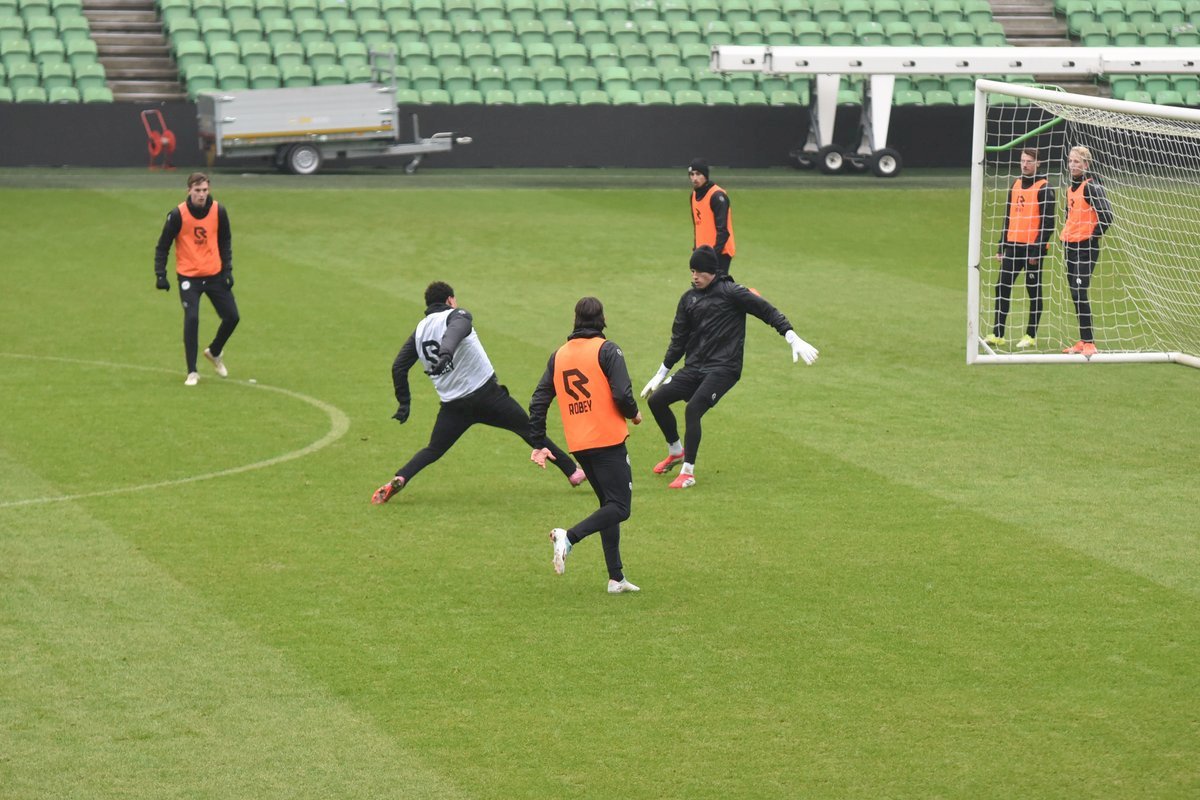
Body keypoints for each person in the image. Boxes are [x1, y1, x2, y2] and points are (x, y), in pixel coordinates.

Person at [372, 281, 585, 504]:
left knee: (433, 449)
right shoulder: (457, 315)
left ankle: (401, 477)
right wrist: (446, 353)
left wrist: (404, 403)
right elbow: (457, 329)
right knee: (530, 430)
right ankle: (573, 472)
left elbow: (398, 367)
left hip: (453, 407)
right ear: (450, 300)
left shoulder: (419, 332)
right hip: (488, 397)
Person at [640, 246, 819, 490]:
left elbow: (767, 311)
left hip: (724, 368)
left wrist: (792, 337)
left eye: (699, 272)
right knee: (657, 401)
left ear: (712, 271)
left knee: (693, 409)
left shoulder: (733, 292)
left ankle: (688, 473)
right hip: (694, 367)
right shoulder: (688, 299)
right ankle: (676, 452)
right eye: (692, 271)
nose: (695, 276)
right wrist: (661, 373)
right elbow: (678, 340)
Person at [528, 296, 643, 593]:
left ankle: (616, 578)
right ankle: (569, 537)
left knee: (608, 505)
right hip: (607, 440)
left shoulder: (559, 356)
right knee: (620, 507)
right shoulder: (608, 350)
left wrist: (539, 441)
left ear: (575, 320)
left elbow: (538, 400)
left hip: (579, 444)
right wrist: (633, 414)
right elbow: (622, 393)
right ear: (602, 319)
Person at [153, 171, 239, 386]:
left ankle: (215, 352)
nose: (202, 194)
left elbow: (225, 241)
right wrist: (161, 274)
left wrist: (227, 270)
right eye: (198, 190)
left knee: (232, 317)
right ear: (189, 190)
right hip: (189, 277)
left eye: (205, 190)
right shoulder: (178, 215)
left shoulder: (219, 211)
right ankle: (192, 371)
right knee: (191, 319)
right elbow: (163, 245)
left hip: (214, 274)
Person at [985, 147, 1056, 350]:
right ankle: (997, 334)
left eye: (1029, 161)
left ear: (1038, 163)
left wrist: (1037, 250)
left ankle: (1030, 335)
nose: (1025, 164)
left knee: (1033, 290)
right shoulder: (1015, 184)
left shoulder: (1045, 188)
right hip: (1013, 246)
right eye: (1023, 160)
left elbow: (1048, 223)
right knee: (1001, 286)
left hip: (1032, 250)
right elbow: (1008, 217)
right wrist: (1002, 245)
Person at [1060, 145, 1114, 356]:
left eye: (1077, 161)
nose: (1073, 165)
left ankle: (1090, 342)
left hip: (1086, 248)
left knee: (1079, 291)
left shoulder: (1092, 187)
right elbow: (1070, 215)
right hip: (1070, 246)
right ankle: (1083, 340)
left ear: (1086, 164)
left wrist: (1093, 236)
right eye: (1070, 161)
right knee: (1075, 293)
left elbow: (1107, 215)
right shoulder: (1070, 189)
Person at [688, 159, 736, 277]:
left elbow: (723, 231)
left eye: (698, 174)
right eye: (692, 174)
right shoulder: (693, 196)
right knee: (703, 286)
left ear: (705, 175)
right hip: (703, 252)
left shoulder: (717, 196)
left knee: (717, 286)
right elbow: (697, 226)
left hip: (720, 253)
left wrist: (713, 255)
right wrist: (696, 250)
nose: (694, 178)